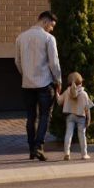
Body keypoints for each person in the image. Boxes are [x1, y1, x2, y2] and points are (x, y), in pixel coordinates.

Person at [15, 11, 61, 161]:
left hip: (27, 84)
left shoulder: (21, 37)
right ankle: (38, 147)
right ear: (45, 22)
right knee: (45, 115)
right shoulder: (49, 38)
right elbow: (54, 63)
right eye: (51, 26)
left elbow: (17, 61)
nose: (52, 29)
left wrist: (25, 74)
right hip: (45, 83)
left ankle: (31, 149)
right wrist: (58, 80)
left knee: (31, 117)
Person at [56, 72, 94, 161]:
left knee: (68, 134)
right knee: (82, 135)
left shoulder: (67, 92)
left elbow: (59, 101)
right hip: (81, 117)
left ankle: (67, 153)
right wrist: (88, 118)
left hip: (70, 116)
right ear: (81, 82)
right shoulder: (84, 94)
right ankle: (84, 154)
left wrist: (57, 93)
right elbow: (87, 108)